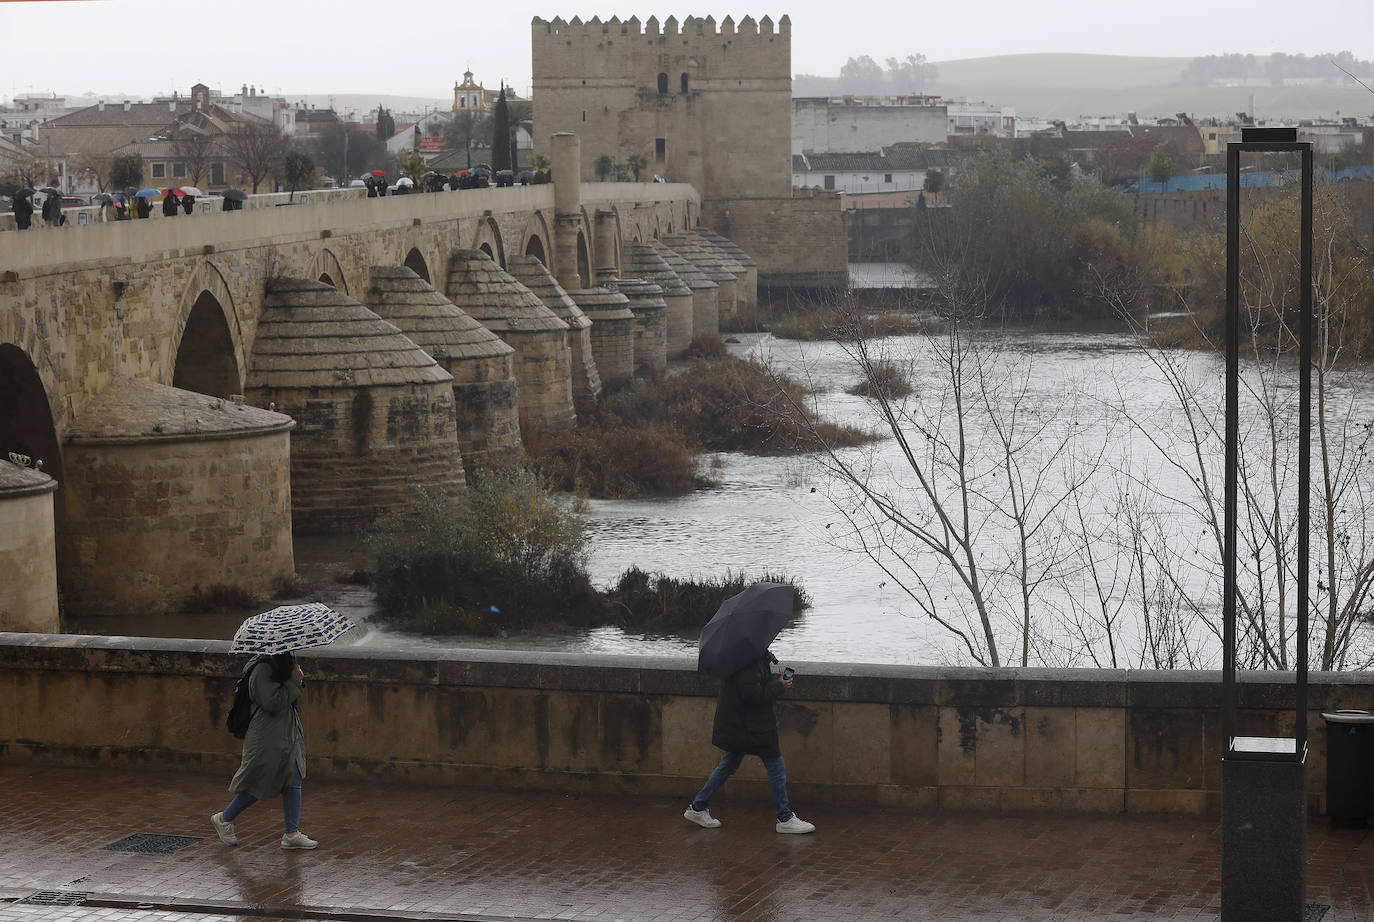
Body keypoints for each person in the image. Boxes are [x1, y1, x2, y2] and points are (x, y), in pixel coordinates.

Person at [684, 651, 815, 834]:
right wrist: (779, 685)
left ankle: (698, 807)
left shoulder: (745, 655)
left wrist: (764, 660)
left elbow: (752, 687)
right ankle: (784, 818)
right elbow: (752, 694)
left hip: (740, 723)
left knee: (730, 762)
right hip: (751, 726)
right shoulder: (747, 659)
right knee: (775, 763)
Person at [210, 651, 318, 850]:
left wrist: (296, 679)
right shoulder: (262, 668)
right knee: (261, 779)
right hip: (267, 735)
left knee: (293, 777)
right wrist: (295, 682)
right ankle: (224, 819)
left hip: (286, 731)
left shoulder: (281, 665)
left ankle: (291, 834)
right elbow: (272, 702)